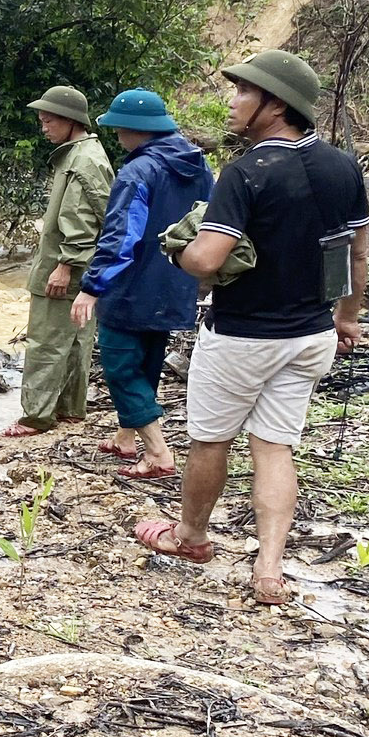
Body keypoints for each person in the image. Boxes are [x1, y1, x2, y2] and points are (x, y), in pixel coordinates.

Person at [144, 50, 369, 606]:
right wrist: (347, 317)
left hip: (243, 337)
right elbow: (356, 255)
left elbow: (206, 258)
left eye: (242, 92)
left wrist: (177, 252)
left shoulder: (247, 172)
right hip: (312, 335)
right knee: (274, 446)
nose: (232, 102)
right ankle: (269, 569)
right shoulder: (343, 167)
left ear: (274, 104)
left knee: (209, 440)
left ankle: (191, 536)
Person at [69, 90, 214, 479]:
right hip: (177, 280)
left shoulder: (138, 172)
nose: (115, 133)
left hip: (131, 286)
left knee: (119, 365)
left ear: (136, 130)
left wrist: (92, 286)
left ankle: (157, 453)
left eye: (118, 127)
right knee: (148, 357)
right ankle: (125, 438)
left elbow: (121, 237)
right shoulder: (199, 166)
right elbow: (209, 221)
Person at [1, 87, 114, 438]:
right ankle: (69, 410)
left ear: (69, 121)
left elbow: (80, 219)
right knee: (76, 338)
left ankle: (35, 417)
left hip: (64, 267)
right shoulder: (86, 154)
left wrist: (65, 265)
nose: (43, 127)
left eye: (48, 121)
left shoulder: (82, 161)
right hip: (81, 267)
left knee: (47, 341)